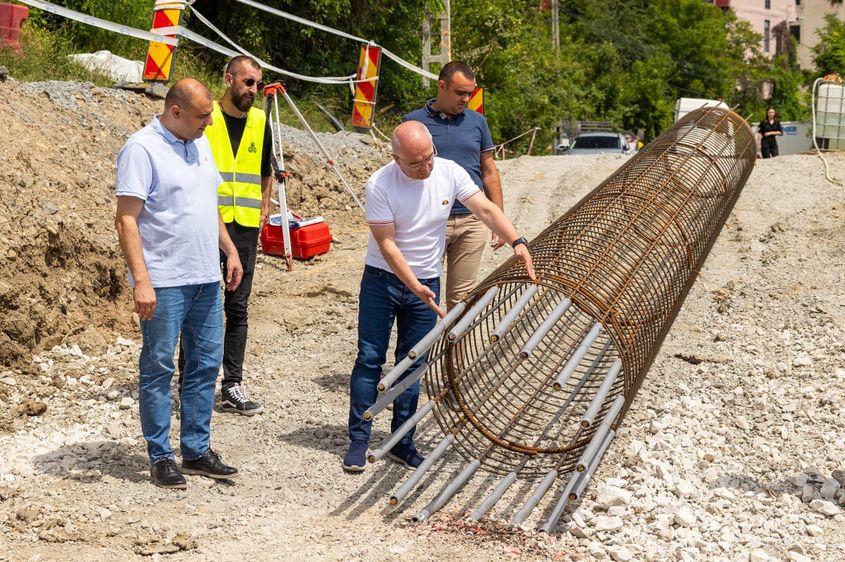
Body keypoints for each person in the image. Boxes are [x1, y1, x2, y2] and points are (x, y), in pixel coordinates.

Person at [342, 121, 536, 472]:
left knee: (413, 362)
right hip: (383, 280)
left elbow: (487, 210)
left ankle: (403, 441)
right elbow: (387, 244)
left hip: (426, 281)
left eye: (429, 157)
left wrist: (517, 241)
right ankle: (359, 438)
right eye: (415, 163)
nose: (425, 167)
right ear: (396, 158)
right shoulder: (379, 184)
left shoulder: (449, 171)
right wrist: (412, 282)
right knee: (370, 357)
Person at [115, 78, 243, 489]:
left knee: (205, 365)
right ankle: (160, 456)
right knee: (158, 368)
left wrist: (230, 250)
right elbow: (127, 219)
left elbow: (208, 205)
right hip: (166, 281)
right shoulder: (141, 149)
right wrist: (142, 281)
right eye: (203, 116)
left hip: (206, 277)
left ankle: (196, 450)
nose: (210, 122)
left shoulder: (199, 142)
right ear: (175, 112)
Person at [199, 55, 274, 415]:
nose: (253, 90)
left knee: (238, 306)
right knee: (198, 305)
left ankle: (232, 386)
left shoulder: (260, 120)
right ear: (228, 79)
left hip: (244, 225)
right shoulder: (206, 115)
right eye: (247, 82)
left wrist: (264, 207)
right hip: (204, 224)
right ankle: (191, 383)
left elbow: (265, 171)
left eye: (257, 84)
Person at [404, 61, 504, 311]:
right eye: (460, 92)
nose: (466, 99)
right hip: (429, 221)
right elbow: (401, 173)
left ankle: (456, 351)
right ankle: (422, 350)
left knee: (462, 301)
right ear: (442, 86)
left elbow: (489, 172)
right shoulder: (413, 124)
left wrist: (498, 221)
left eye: (470, 93)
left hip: (471, 223)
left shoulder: (477, 122)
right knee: (423, 295)